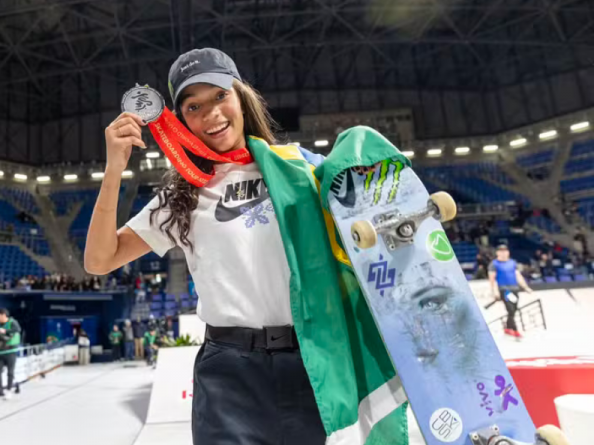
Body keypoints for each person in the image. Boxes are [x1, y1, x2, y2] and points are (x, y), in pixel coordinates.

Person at [84, 48, 410, 444]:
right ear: (179, 120)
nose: (212, 115)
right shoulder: (182, 194)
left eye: (220, 96)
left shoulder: (301, 167)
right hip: (228, 376)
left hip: (312, 362)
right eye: (193, 106)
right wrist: (114, 168)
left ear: (241, 96)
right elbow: (100, 260)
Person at [489, 244, 533, 338]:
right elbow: (492, 279)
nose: (503, 253)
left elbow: (518, 275)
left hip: (515, 289)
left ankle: (508, 327)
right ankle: (515, 329)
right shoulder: (494, 264)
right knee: (510, 309)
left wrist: (525, 287)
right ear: (497, 253)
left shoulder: (512, 263)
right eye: (501, 251)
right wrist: (495, 291)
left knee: (513, 310)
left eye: (505, 251)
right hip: (505, 290)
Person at [0, 309, 21, 401]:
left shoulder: (12, 322)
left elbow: (17, 329)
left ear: (3, 315)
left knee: (10, 372)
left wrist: (5, 331)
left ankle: (9, 391)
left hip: (11, 351)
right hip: (0, 352)